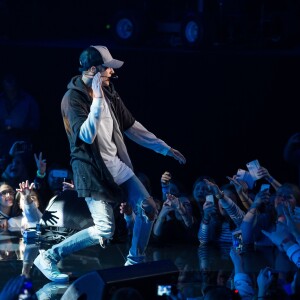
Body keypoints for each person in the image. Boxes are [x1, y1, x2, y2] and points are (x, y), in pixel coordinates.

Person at [33, 45, 186, 282]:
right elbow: (85, 136)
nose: (112, 73)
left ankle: (133, 263)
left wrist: (163, 147)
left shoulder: (110, 91)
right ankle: (49, 257)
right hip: (91, 170)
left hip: (115, 165)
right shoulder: (72, 98)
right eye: (107, 69)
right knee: (105, 229)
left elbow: (131, 125)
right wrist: (95, 101)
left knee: (147, 208)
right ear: (94, 70)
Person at [0, 73, 40, 157]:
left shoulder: (29, 100)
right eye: (7, 79)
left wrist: (20, 131)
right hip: (2, 144)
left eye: (11, 78)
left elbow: (35, 124)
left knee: (18, 165)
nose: (9, 81)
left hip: (21, 143)